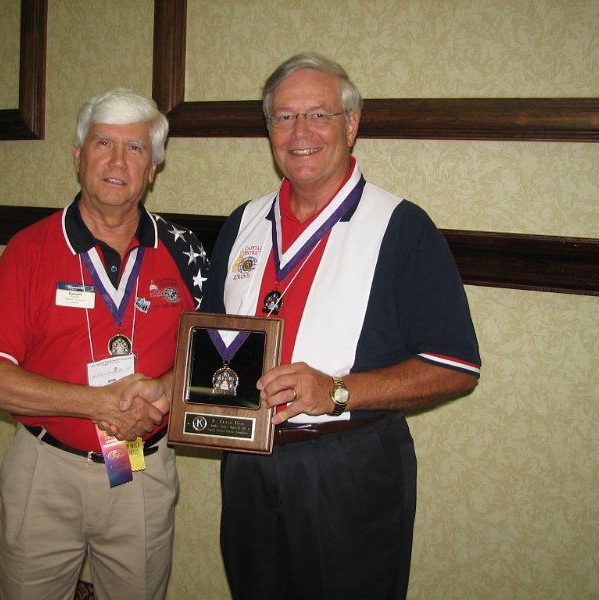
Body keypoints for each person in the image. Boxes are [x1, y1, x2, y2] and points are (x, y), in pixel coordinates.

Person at [201, 53, 481, 600]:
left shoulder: (400, 226)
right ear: (268, 131)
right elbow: (212, 344)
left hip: (349, 465)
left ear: (351, 125)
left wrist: (335, 390)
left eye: (318, 115)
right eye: (283, 117)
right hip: (248, 464)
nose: (300, 132)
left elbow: (455, 367)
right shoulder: (244, 222)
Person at [0, 88, 209, 600]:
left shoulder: (186, 253)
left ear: (154, 168)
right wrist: (95, 404)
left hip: (140, 466)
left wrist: (164, 388)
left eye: (136, 148)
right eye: (103, 144)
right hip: (45, 471)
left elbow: (213, 358)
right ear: (79, 157)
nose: (118, 161)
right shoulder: (29, 249)